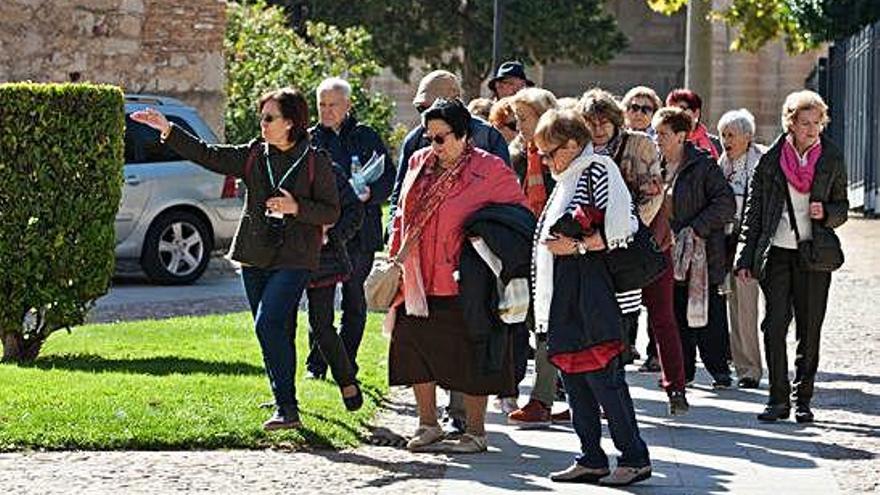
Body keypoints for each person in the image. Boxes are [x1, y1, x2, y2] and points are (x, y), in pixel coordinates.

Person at [130, 88, 346, 430]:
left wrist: (296, 208)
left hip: (295, 257)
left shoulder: (314, 160)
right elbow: (209, 154)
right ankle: (282, 397)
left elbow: (332, 211)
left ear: (290, 123)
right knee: (274, 331)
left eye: (269, 118)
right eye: (261, 117)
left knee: (267, 322)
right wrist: (167, 129)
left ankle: (287, 409)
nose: (262, 124)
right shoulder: (254, 155)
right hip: (254, 254)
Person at [387, 98, 528, 453]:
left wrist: (484, 234)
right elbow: (402, 215)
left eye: (441, 138)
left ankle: (476, 432)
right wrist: (395, 254)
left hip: (466, 280)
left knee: (471, 354)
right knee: (414, 349)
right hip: (418, 279)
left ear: (464, 135)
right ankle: (427, 424)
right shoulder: (419, 163)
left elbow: (520, 218)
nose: (433, 146)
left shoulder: (491, 170)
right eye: (427, 137)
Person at [532, 109, 651, 486]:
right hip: (568, 291)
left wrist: (578, 247)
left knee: (604, 378)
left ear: (572, 144)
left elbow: (622, 229)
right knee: (574, 377)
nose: (547, 161)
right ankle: (591, 457)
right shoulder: (567, 177)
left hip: (593, 291)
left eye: (550, 152)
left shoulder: (598, 169)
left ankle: (634, 457)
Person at [736, 90, 848, 423]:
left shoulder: (831, 157)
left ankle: (803, 400)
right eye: (805, 123)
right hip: (777, 254)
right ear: (791, 124)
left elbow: (842, 208)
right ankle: (777, 399)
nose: (812, 129)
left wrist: (826, 212)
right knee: (773, 326)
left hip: (814, 254)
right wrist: (744, 258)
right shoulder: (771, 161)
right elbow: (753, 213)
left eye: (817, 123)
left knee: (809, 329)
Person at [580, 89, 689, 415]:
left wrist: (623, 230)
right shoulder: (583, 151)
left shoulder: (638, 144)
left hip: (646, 243)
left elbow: (653, 193)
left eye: (604, 122)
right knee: (607, 320)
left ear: (615, 120)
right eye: (591, 123)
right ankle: (607, 390)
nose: (599, 129)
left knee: (662, 316)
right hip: (602, 247)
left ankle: (676, 387)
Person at [307, 77, 393, 381]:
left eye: (333, 105)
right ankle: (316, 365)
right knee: (320, 302)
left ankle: (347, 363)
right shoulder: (310, 139)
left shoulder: (365, 136)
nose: (327, 111)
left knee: (355, 300)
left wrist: (372, 193)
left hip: (361, 233)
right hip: (324, 234)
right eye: (322, 105)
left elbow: (388, 180)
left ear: (347, 105)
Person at [653, 107, 735, 389]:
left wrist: (697, 228)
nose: (657, 138)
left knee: (707, 313)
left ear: (680, 136)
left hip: (701, 254)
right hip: (666, 251)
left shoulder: (703, 166)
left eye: (663, 133)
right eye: (656, 133)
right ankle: (682, 373)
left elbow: (726, 204)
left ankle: (719, 369)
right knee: (674, 314)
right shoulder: (655, 165)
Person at [506, 87, 569, 428]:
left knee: (548, 324)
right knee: (534, 322)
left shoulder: (558, 158)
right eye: (517, 119)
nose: (520, 125)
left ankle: (542, 398)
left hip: (556, 249)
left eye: (525, 118)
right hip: (526, 247)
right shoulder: (518, 154)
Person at [389, 70, 510, 226]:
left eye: (433, 108)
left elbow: (504, 192)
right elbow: (400, 194)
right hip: (426, 233)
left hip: (474, 231)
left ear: (455, 103)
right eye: (421, 109)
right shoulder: (415, 140)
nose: (426, 115)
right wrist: (393, 229)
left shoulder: (489, 137)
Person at [716, 108, 767, 389]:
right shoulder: (723, 162)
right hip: (727, 243)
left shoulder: (761, 162)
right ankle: (743, 367)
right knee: (734, 306)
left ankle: (752, 368)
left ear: (748, 137)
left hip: (752, 244)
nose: (726, 140)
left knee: (748, 308)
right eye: (723, 134)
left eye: (731, 135)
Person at [666, 89, 723, 159]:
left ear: (696, 113)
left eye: (682, 108)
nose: (676, 114)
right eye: (672, 110)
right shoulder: (663, 141)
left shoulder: (716, 144)